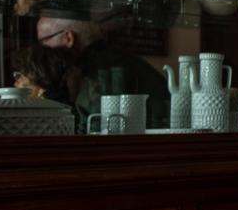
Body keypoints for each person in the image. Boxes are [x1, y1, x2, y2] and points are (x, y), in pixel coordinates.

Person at [36, 15, 169, 127]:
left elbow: (91, 130)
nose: (40, 50)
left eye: (43, 42)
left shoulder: (96, 71)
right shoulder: (115, 57)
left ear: (68, 38)